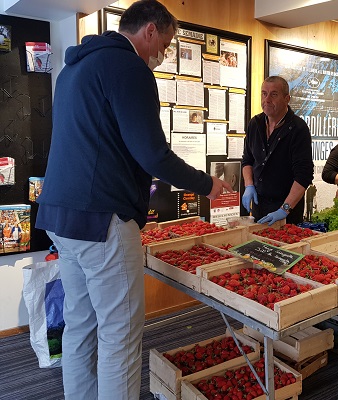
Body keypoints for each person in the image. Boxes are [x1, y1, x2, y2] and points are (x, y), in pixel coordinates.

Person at [34, 1, 232, 399]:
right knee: (119, 335)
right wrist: (206, 185)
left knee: (80, 326)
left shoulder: (74, 69)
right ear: (150, 32)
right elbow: (153, 154)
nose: (165, 53)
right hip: (102, 219)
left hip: (60, 217)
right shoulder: (129, 68)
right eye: (168, 42)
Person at [241, 76, 313, 225]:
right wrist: (249, 185)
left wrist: (284, 209)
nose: (267, 99)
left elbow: (304, 176)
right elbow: (247, 160)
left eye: (274, 94)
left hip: (287, 209)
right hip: (259, 204)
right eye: (264, 93)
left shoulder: (298, 129)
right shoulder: (255, 123)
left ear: (287, 98)